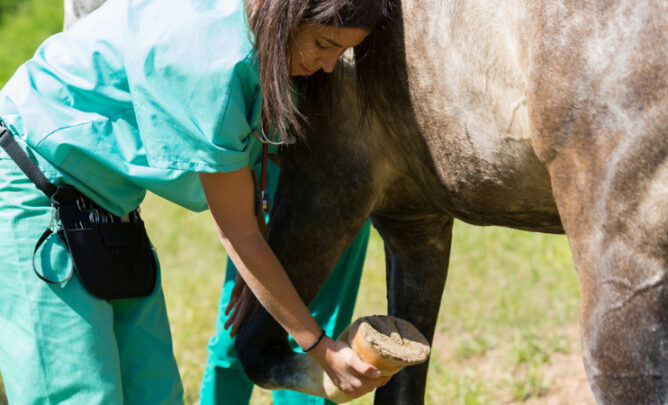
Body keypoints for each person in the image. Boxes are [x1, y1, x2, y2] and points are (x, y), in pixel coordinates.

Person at [0, 0, 389, 404]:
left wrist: (257, 259)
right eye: (323, 44)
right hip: (32, 182)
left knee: (156, 394)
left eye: (341, 52)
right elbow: (237, 231)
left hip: (109, 204)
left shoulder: (251, 34)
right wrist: (319, 347)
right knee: (78, 395)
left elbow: (243, 192)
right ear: (284, 12)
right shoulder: (214, 65)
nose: (328, 65)